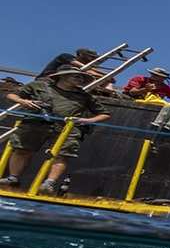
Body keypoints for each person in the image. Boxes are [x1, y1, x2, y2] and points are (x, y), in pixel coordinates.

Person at [1, 66, 111, 194]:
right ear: (62, 76)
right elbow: (11, 95)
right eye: (76, 76)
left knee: (63, 155)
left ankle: (49, 183)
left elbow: (105, 113)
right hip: (35, 123)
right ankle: (12, 178)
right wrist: (23, 101)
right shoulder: (38, 86)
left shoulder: (85, 96)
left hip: (66, 128)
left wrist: (87, 121)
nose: (80, 79)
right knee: (22, 149)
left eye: (82, 77)